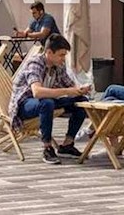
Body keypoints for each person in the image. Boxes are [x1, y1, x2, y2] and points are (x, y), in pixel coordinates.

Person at [8, 33, 90, 164]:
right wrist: (67, 91)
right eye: (61, 55)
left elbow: (70, 86)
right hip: (24, 104)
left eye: (65, 55)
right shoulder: (35, 63)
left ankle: (67, 145)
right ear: (49, 52)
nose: (63, 58)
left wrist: (80, 90)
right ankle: (47, 148)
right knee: (47, 103)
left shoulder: (58, 65)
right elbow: (37, 92)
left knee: (81, 101)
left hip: (46, 101)